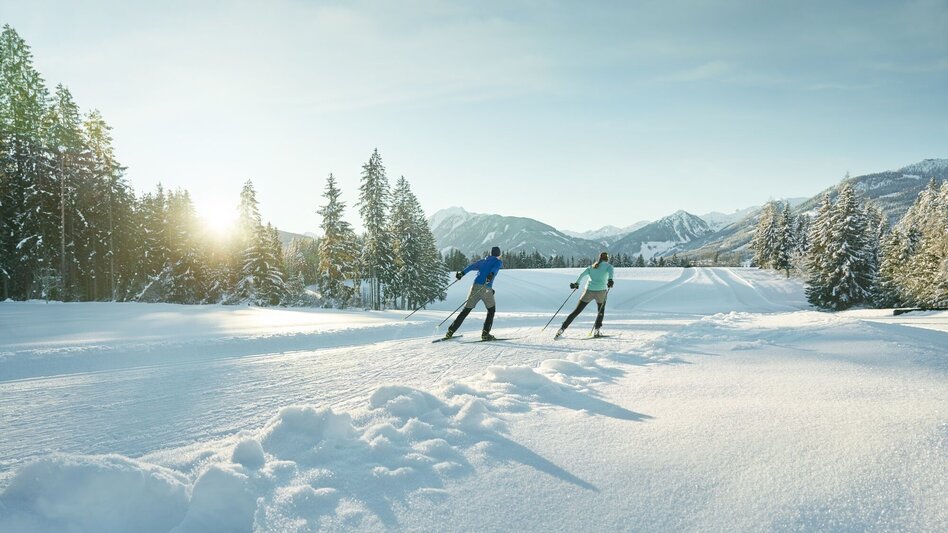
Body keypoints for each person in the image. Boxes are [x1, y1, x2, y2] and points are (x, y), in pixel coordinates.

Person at [444, 246, 503, 341]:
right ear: (498, 254)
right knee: (491, 310)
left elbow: (471, 266)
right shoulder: (498, 262)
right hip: (486, 288)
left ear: (491, 253)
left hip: (474, 287)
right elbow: (495, 269)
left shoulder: (482, 261)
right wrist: (491, 275)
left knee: (465, 311)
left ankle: (450, 331)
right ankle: (485, 334)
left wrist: (462, 274)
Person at [556, 252, 614, 339]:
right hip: (601, 291)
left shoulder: (592, 266)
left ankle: (562, 329)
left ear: (600, 258)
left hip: (588, 291)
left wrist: (576, 284)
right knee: (600, 312)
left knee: (577, 311)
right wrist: (610, 281)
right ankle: (597, 331)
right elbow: (610, 275)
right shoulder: (609, 267)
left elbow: (581, 275)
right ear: (607, 258)